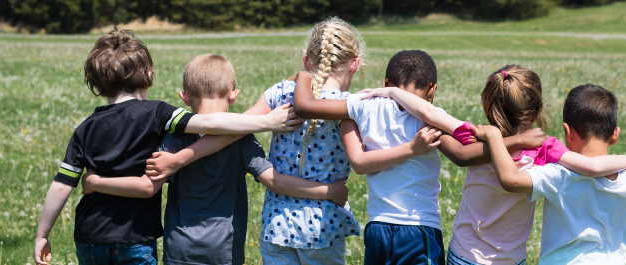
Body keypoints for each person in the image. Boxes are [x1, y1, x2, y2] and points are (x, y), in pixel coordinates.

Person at [32, 29, 301, 265]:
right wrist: (264, 121)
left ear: (99, 86)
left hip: (97, 236)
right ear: (149, 76)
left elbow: (61, 184)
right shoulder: (158, 115)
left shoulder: (86, 128)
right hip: (150, 240)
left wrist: (43, 233)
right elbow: (211, 124)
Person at [358, 64, 626, 265]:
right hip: (512, 259)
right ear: (536, 113)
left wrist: (395, 93)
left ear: (488, 106)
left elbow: (429, 113)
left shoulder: (476, 139)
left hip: (465, 255)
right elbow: (591, 167)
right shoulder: (545, 148)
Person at [81, 54, 350, 265]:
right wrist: (329, 191)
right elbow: (275, 181)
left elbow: (147, 185)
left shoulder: (173, 140)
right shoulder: (243, 139)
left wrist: (95, 181)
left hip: (179, 249)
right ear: (234, 94)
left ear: (184, 98)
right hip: (225, 251)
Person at [294, 50, 547, 265]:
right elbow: (461, 154)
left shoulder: (362, 105)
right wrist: (516, 141)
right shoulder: (430, 118)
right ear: (432, 90)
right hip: (419, 228)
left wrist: (303, 75)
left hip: (376, 227)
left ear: (385, 84)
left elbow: (305, 106)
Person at [471, 84, 626, 265]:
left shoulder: (559, 175)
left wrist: (494, 137)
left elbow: (511, 180)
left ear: (567, 132)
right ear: (615, 134)